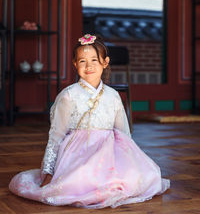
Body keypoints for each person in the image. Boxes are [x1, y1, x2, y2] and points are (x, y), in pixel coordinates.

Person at [9, 34, 170, 209]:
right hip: (78, 152)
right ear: (75, 63)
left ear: (105, 62)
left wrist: (133, 161)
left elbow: (124, 134)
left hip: (109, 153)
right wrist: (48, 172)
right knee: (79, 180)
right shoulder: (68, 96)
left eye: (94, 59)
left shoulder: (113, 96)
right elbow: (56, 136)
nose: (89, 66)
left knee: (140, 177)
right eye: (82, 61)